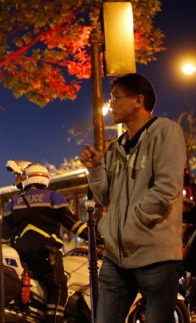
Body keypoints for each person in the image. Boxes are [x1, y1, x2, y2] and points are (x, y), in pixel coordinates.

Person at [79, 73, 186, 323]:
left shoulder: (165, 133)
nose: (111, 104)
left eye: (116, 98)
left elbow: (166, 189)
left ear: (138, 100)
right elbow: (107, 197)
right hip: (116, 258)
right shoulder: (115, 147)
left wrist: (130, 225)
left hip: (155, 256)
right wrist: (95, 169)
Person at [2, 163, 89, 322]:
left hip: (21, 254)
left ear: (27, 179)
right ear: (45, 179)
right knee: (58, 288)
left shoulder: (14, 202)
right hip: (47, 254)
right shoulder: (53, 197)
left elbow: (3, 233)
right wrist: (92, 235)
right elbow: (72, 223)